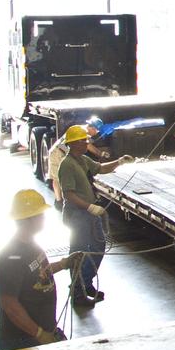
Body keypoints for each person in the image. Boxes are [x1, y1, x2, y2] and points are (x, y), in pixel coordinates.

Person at [58, 124, 133, 307]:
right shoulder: (66, 165)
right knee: (79, 252)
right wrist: (89, 207)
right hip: (77, 214)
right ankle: (77, 292)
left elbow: (101, 168)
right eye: (83, 141)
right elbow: (68, 193)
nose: (86, 143)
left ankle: (86, 282)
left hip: (89, 212)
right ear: (73, 143)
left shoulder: (82, 160)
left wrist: (119, 161)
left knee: (99, 246)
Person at [0, 189, 77, 350]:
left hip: (43, 331)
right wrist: (39, 334)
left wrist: (63, 263)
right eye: (40, 215)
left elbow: (38, 275)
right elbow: (9, 304)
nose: (44, 219)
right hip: (22, 340)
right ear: (27, 220)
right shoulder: (10, 257)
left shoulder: (31, 244)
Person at [46, 119, 110, 208]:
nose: (96, 133)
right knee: (56, 178)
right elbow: (63, 145)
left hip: (64, 153)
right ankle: (58, 201)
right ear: (91, 127)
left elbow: (86, 145)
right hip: (57, 153)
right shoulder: (79, 131)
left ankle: (63, 200)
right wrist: (100, 153)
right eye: (96, 130)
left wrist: (100, 154)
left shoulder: (83, 131)